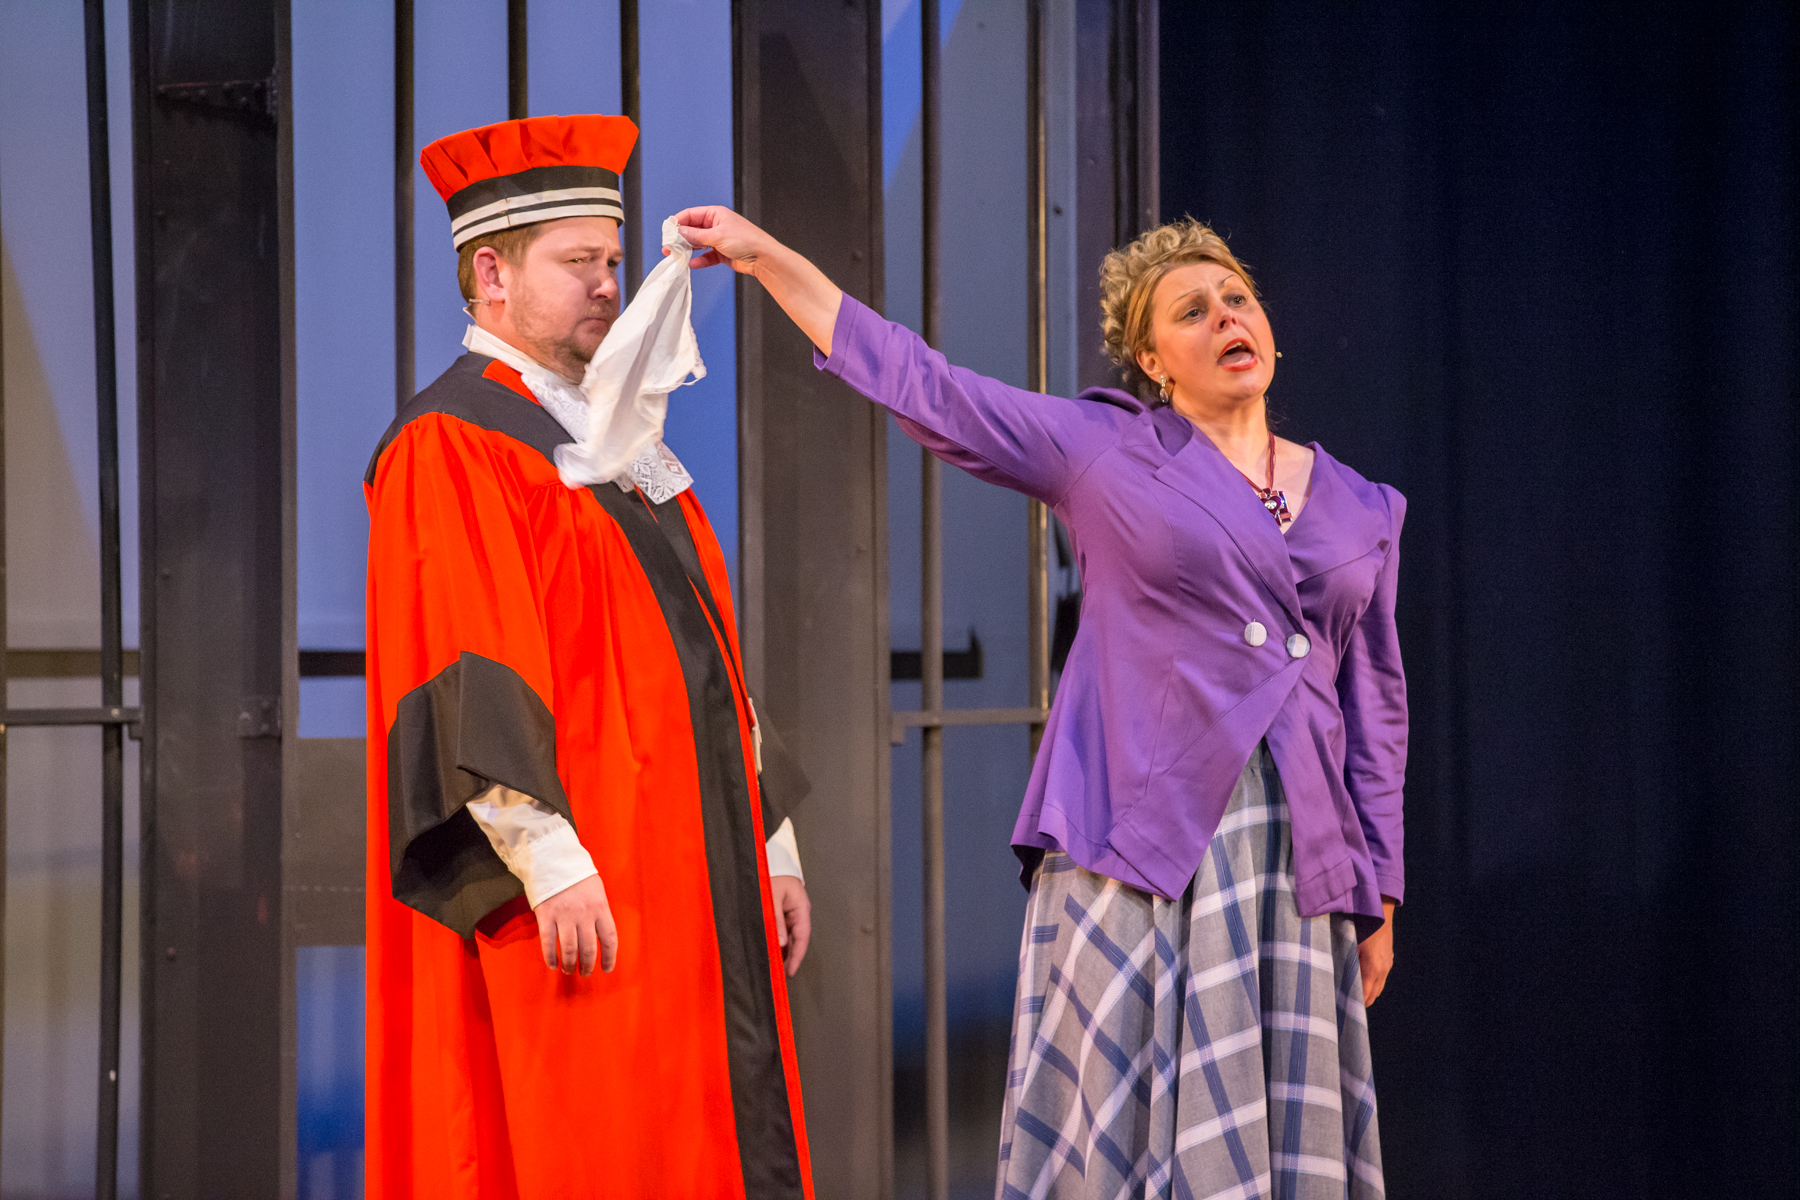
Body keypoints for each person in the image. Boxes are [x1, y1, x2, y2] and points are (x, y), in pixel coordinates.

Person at [676, 206, 1404, 1198]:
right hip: (1140, 846)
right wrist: (769, 260)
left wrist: (1378, 889)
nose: (1226, 318)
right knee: (1120, 1134)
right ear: (1153, 361)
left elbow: (1374, 708)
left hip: (1293, 857)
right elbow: (932, 389)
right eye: (1191, 311)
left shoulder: (1362, 505)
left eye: (1237, 299)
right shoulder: (1109, 450)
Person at [363, 115, 815, 1199]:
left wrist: (770, 836)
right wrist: (549, 861)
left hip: (686, 872)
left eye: (613, 261)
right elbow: (467, 661)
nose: (608, 286)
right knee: (586, 1145)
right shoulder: (452, 443)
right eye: (578, 263)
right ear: (492, 275)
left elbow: (707, 647)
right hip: (578, 887)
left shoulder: (617, 441)